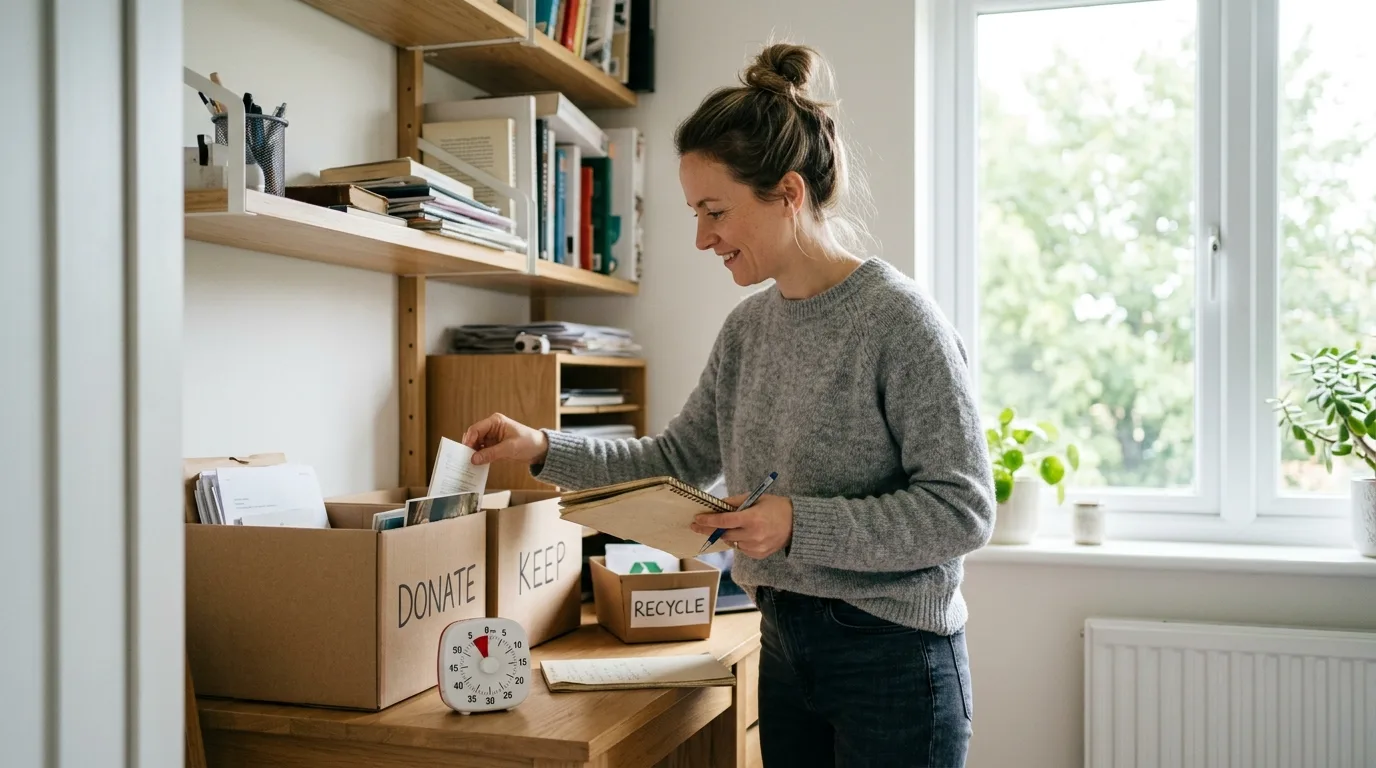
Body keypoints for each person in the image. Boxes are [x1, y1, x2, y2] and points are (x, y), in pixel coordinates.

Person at [461, 42, 995, 768]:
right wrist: (542, 449)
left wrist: (796, 524)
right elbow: (675, 461)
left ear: (788, 194)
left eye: (715, 211)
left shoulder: (899, 322)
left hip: (896, 666)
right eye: (695, 212)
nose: (702, 237)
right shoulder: (749, 328)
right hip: (784, 647)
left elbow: (961, 510)